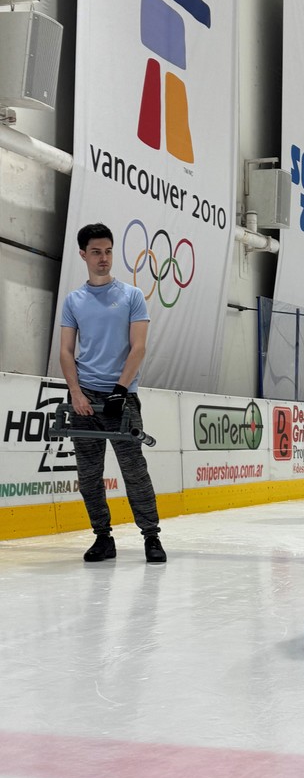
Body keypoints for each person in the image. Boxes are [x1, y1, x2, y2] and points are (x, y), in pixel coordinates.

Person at [59, 223, 167, 563]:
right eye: (95, 252)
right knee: (89, 475)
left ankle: (151, 537)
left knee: (134, 471)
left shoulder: (132, 296)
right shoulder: (74, 300)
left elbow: (139, 347)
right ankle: (103, 538)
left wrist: (120, 390)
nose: (103, 258)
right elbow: (65, 352)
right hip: (85, 398)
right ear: (83, 254)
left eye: (107, 251)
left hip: (122, 399)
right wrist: (75, 393)